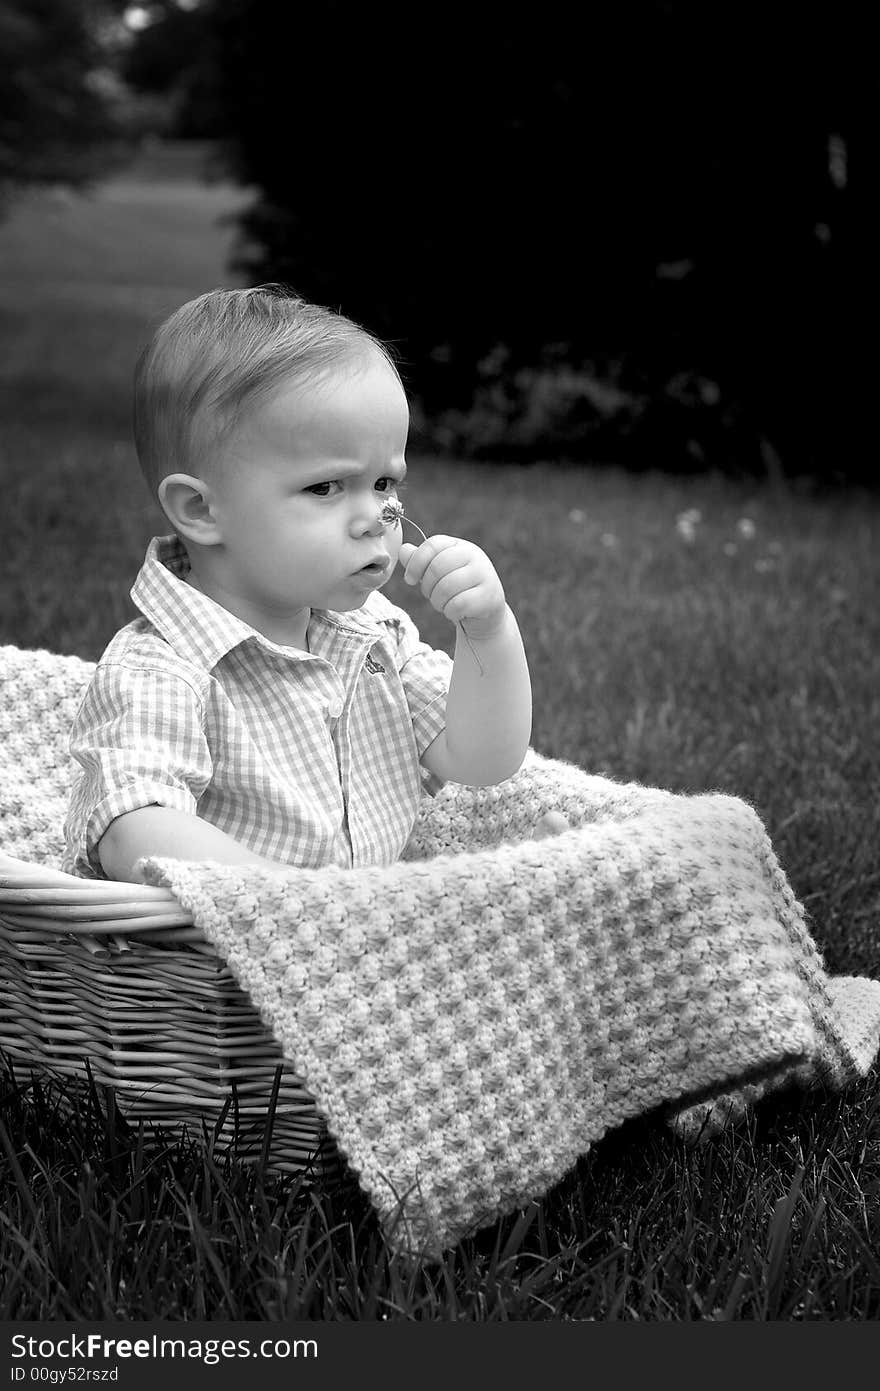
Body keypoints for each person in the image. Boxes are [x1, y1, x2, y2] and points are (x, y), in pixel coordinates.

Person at [63, 286, 535, 884]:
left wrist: (488, 631)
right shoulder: (163, 672)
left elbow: (481, 756)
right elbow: (135, 832)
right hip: (211, 958)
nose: (375, 519)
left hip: (350, 941)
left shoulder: (371, 641)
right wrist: (305, 905)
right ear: (202, 511)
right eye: (325, 488)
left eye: (386, 484)